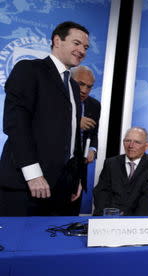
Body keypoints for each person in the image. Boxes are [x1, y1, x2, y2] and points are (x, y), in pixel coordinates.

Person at [0, 21, 89, 216]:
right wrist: (33, 175)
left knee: (57, 243)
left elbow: (73, 136)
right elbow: (16, 124)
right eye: (76, 43)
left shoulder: (73, 86)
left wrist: (77, 178)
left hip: (64, 188)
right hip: (27, 185)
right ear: (57, 40)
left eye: (85, 47)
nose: (82, 50)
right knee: (18, 245)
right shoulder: (29, 70)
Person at [93, 127, 148, 216]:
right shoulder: (111, 163)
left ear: (147, 146)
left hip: (140, 218)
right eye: (127, 141)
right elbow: (101, 192)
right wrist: (109, 214)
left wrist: (130, 222)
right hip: (112, 216)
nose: (131, 145)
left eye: (137, 142)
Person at [69, 65, 101, 215]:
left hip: (78, 171)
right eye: (81, 84)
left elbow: (94, 134)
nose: (85, 90)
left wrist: (92, 149)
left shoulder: (94, 105)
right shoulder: (56, 100)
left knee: (69, 219)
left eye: (89, 86)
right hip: (53, 169)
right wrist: (75, 121)